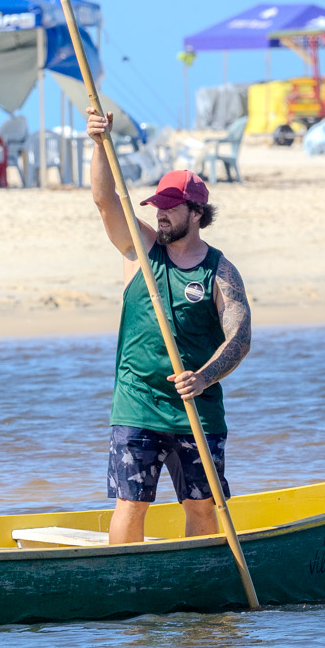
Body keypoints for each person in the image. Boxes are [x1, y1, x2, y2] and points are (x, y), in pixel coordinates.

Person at [86, 111, 252, 545]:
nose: (160, 214)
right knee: (131, 502)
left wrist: (204, 378)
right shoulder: (140, 249)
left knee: (202, 505)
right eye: (157, 205)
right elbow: (105, 201)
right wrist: (99, 144)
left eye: (170, 207)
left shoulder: (220, 271)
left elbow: (239, 337)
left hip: (197, 406)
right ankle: (122, 578)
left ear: (196, 213)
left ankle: (200, 578)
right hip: (137, 401)